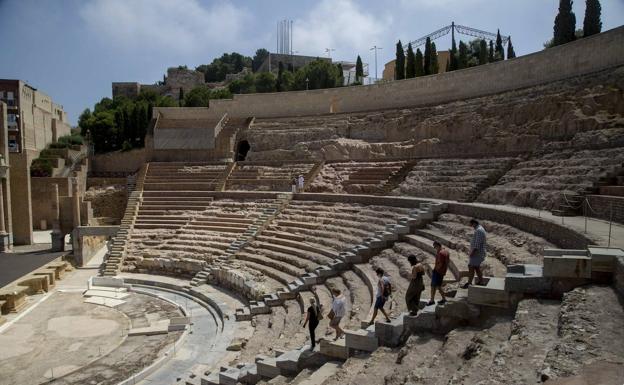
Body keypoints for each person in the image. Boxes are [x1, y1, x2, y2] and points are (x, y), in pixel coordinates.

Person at [463, 218, 486, 289]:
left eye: (472, 225)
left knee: (471, 267)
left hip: (477, 253)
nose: (472, 226)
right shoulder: (479, 229)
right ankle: (481, 281)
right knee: (476, 267)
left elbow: (477, 244)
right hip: (478, 253)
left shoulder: (479, 230)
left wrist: (472, 253)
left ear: (474, 223)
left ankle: (469, 283)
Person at [428, 241, 449, 305]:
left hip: (438, 272)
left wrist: (435, 270)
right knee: (437, 286)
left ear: (438, 245)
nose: (434, 248)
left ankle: (432, 300)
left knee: (434, 286)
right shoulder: (446, 251)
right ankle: (442, 299)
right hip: (442, 271)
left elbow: (441, 263)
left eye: (435, 247)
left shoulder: (441, 253)